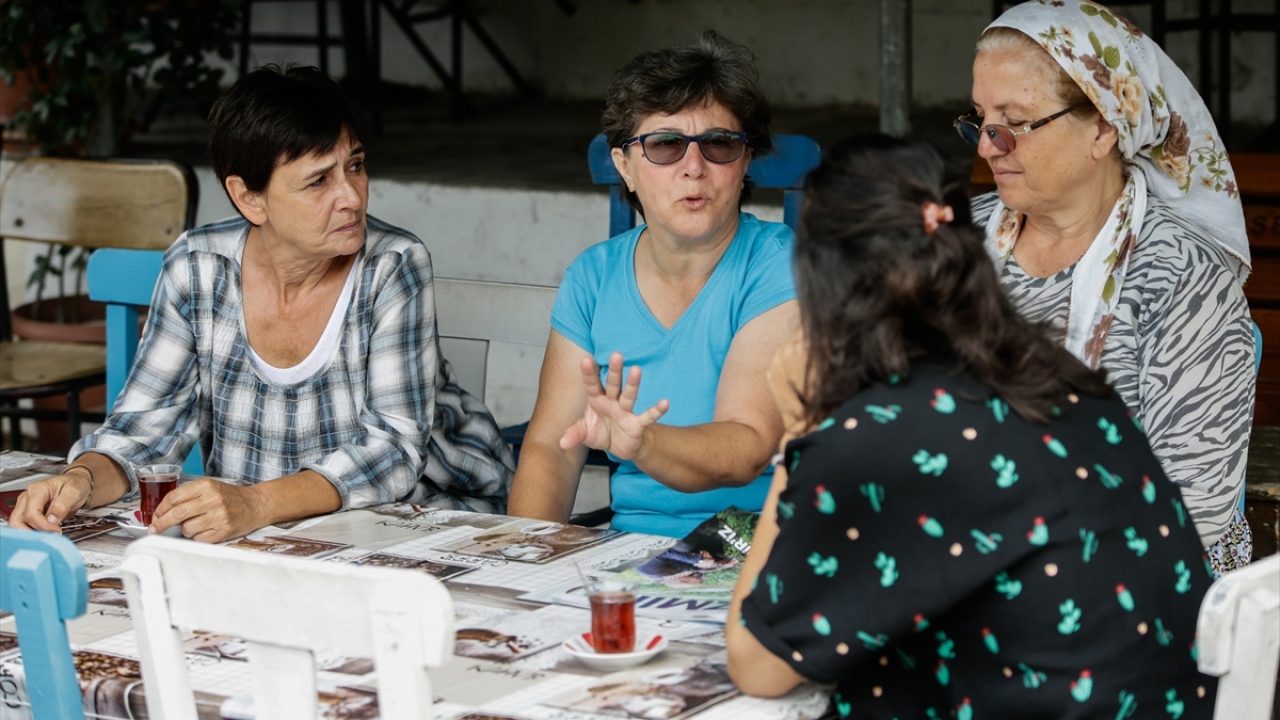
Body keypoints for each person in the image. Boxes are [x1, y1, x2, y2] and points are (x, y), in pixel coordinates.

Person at [726, 136, 1218, 718]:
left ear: (825, 281)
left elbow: (758, 663)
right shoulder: (1057, 375)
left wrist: (801, 434)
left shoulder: (879, 434)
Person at [9, 66, 514, 542]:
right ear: (249, 198)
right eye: (319, 181)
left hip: (426, 515)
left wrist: (254, 504)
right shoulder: (197, 267)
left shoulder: (392, 265)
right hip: (281, 533)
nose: (352, 197)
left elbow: (393, 453)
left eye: (355, 166)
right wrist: (79, 480)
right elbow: (143, 431)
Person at [961, 1, 1254, 576]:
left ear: (1101, 126)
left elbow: (1190, 508)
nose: (986, 146)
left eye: (1013, 123)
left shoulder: (1182, 275)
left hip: (1132, 585)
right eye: (978, 119)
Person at [507, 30, 799, 537]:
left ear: (745, 159)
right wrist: (525, 560)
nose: (694, 168)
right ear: (625, 166)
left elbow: (746, 448)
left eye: (719, 144)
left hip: (757, 547)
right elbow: (551, 448)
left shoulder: (780, 263)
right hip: (629, 550)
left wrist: (643, 442)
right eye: (665, 145)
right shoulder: (594, 276)